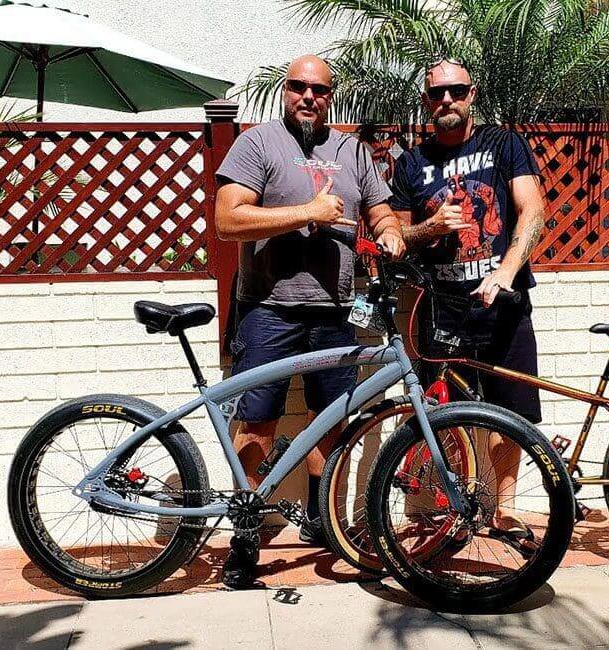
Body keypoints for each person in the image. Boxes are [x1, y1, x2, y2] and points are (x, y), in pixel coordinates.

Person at [214, 54, 405, 588]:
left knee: (330, 417)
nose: (308, 97)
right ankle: (247, 528)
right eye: (298, 87)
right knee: (257, 418)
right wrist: (306, 213)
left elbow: (379, 209)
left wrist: (388, 229)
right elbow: (228, 220)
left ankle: (322, 520)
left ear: (330, 96)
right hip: (268, 308)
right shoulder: (258, 143)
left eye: (319, 90)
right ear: (284, 91)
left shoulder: (352, 150)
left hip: (335, 310)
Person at [388, 58, 546, 550]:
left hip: (502, 302)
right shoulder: (412, 163)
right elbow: (396, 234)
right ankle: (453, 508)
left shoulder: (503, 143)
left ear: (471, 93)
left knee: (511, 411)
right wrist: (429, 228)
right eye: (437, 94)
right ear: (426, 102)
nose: (447, 101)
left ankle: (503, 511)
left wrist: (505, 271)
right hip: (442, 308)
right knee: (441, 414)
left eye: (456, 91)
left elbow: (533, 208)